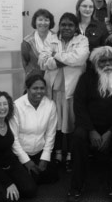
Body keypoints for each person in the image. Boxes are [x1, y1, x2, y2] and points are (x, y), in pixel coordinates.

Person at [67, 46, 112, 202]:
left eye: (110, 60)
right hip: (90, 126)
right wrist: (91, 130)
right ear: (95, 63)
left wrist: (110, 132)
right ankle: (76, 186)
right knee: (78, 137)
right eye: (102, 60)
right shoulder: (86, 78)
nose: (107, 63)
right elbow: (79, 106)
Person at [39, 13, 89, 171]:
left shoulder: (82, 40)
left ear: (75, 28)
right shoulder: (51, 39)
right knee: (56, 123)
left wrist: (54, 57)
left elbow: (80, 58)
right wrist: (64, 60)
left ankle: (70, 155)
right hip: (54, 90)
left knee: (71, 123)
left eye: (70, 25)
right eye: (64, 24)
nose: (66, 28)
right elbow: (42, 62)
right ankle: (58, 153)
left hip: (72, 90)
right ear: (59, 26)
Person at [10, 73, 58, 185]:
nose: (39, 91)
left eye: (42, 88)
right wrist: (26, 161)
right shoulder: (16, 106)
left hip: (39, 151)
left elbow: (50, 134)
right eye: (35, 88)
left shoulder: (50, 105)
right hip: (20, 153)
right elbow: (14, 138)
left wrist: (45, 157)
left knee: (53, 177)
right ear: (27, 89)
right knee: (29, 188)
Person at [0, 91, 37, 202]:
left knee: (30, 190)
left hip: (11, 164)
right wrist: (8, 183)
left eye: (5, 104)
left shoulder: (7, 121)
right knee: (7, 199)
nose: (2, 108)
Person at [21, 9, 55, 76]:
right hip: (35, 79)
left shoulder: (57, 38)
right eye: (40, 19)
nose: (43, 23)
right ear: (35, 22)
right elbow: (25, 62)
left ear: (50, 22)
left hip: (53, 77)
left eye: (46, 20)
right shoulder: (27, 41)